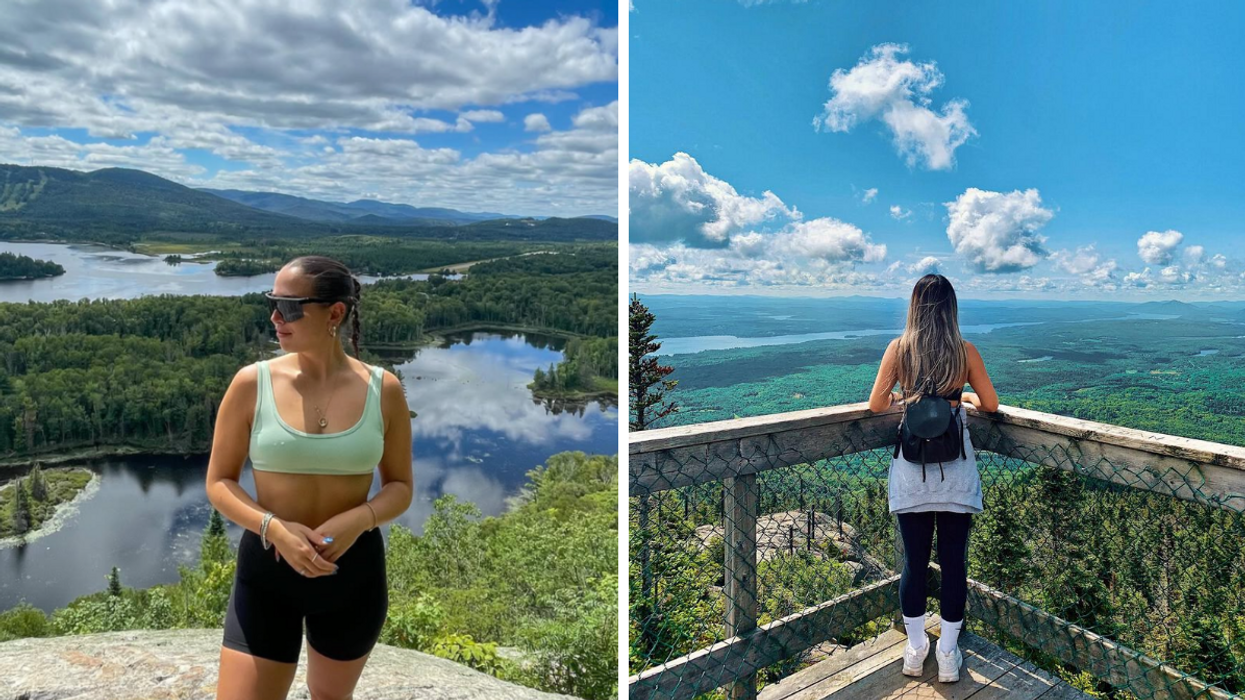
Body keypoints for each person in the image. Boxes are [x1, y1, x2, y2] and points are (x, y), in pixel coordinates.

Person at [206, 255, 413, 700]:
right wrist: (273, 528)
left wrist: (359, 519)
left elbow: (400, 487)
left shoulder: (384, 389)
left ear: (334, 313)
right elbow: (219, 482)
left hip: (352, 576)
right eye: (272, 303)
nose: (275, 317)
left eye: (290, 306)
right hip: (268, 573)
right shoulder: (251, 383)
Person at [867, 273, 999, 683]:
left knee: (914, 562)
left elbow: (875, 405)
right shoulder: (965, 351)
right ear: (951, 309)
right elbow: (991, 404)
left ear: (914, 307)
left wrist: (903, 398)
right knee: (954, 563)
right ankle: (947, 654)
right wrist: (967, 398)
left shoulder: (899, 350)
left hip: (912, 471)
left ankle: (914, 648)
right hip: (955, 469)